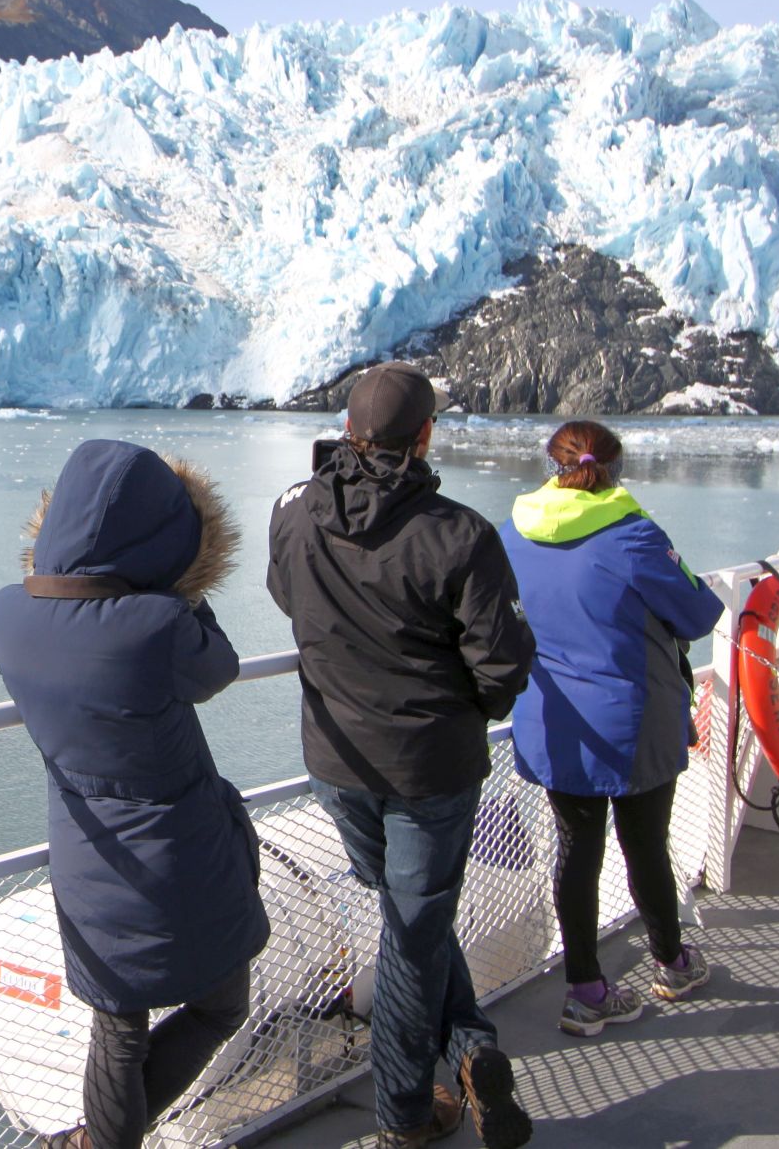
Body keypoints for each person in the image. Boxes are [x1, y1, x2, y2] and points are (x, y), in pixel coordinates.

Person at [266, 362, 536, 1149]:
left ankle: (471, 1046)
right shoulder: (461, 535)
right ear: (424, 437)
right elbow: (503, 668)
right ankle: (406, 1116)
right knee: (413, 935)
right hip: (431, 772)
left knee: (411, 918)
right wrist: (469, 709)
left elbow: (288, 595)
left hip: (337, 762)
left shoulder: (295, 512)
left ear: (350, 432)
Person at [0, 439, 271, 1149]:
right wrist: (178, 584)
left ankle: (96, 1141)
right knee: (221, 1004)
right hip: (183, 855)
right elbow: (220, 667)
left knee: (117, 1027)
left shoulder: (4, 614)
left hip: (87, 853)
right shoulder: (161, 625)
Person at [499, 420, 722, 1038]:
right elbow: (699, 611)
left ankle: (587, 991)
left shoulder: (510, 533)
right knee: (644, 845)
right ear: (614, 472)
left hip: (556, 724)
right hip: (633, 726)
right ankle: (673, 963)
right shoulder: (634, 535)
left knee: (576, 852)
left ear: (551, 466)